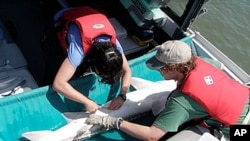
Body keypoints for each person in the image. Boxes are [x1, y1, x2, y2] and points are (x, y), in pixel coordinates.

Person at [85, 40, 250, 140]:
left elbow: (152, 135)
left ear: (174, 68)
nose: (158, 71)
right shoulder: (200, 61)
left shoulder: (182, 102)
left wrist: (115, 122)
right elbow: (220, 66)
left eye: (161, 68)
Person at [52, 6, 131, 114]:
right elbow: (58, 84)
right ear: (95, 66)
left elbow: (127, 70)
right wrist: (86, 101)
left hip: (87, 13)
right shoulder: (78, 51)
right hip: (63, 18)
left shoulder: (113, 48)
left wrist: (122, 95)